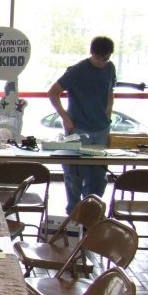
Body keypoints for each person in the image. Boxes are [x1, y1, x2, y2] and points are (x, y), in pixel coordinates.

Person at [48, 36, 116, 214]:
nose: (102, 61)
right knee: (73, 174)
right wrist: (65, 117)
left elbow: (110, 92)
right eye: (98, 57)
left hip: (101, 129)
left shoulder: (110, 68)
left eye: (106, 58)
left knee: (98, 176)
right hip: (77, 128)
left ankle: (91, 212)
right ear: (92, 53)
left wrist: (108, 117)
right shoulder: (77, 70)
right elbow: (53, 92)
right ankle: (73, 212)